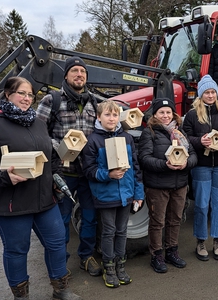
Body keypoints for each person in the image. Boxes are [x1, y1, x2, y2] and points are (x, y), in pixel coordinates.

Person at [0, 76, 81, 299]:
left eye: (30, 94)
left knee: (57, 242)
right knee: (17, 250)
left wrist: (57, 178)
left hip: (44, 200)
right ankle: (21, 296)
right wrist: (3, 177)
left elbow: (51, 158)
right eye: (21, 93)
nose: (26, 98)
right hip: (11, 203)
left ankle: (61, 289)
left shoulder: (39, 124)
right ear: (8, 95)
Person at [36, 56, 102, 277]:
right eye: (74, 71)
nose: (79, 75)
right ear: (66, 75)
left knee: (90, 218)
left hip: (88, 172)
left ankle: (86, 256)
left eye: (82, 71)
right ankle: (60, 261)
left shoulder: (94, 102)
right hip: (63, 173)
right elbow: (37, 134)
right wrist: (61, 146)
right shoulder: (51, 100)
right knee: (61, 220)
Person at [81, 100, 144, 288]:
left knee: (122, 231)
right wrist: (108, 175)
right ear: (99, 117)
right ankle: (108, 267)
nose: (111, 118)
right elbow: (89, 170)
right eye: (107, 115)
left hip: (126, 194)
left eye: (115, 115)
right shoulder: (93, 140)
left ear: (119, 117)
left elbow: (135, 168)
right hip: (106, 195)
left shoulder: (127, 138)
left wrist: (138, 194)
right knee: (108, 232)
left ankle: (120, 266)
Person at [138, 97, 197, 273]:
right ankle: (156, 254)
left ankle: (172, 251)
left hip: (179, 184)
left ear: (173, 114)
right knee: (158, 221)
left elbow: (193, 154)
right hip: (158, 185)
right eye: (161, 112)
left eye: (168, 112)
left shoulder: (180, 133)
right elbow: (144, 159)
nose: (165, 115)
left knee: (175, 219)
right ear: (155, 114)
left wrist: (187, 164)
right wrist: (165, 165)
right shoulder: (149, 133)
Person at [183, 74, 218, 261]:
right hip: (202, 167)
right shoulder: (192, 115)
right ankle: (201, 240)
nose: (210, 95)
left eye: (213, 92)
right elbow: (185, 138)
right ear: (200, 94)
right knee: (202, 204)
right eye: (207, 92)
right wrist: (199, 141)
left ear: (217, 94)